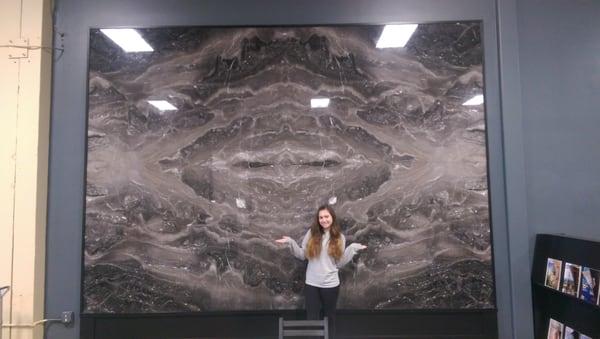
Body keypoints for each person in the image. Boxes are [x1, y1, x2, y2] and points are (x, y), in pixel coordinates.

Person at [275, 205, 367, 338]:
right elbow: (302, 255)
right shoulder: (312, 234)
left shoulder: (339, 237)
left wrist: (352, 248)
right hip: (312, 284)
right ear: (318, 219)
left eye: (326, 217)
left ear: (332, 218)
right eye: (321, 217)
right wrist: (290, 242)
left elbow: (339, 263)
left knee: (330, 317)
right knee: (312, 318)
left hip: (331, 284)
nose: (324, 220)